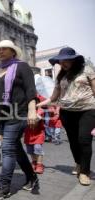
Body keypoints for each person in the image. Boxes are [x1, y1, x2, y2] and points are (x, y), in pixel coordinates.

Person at [0, 40, 39, 199]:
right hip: (0, 117)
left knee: (8, 147)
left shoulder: (22, 67)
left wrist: (32, 111)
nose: (1, 52)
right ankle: (32, 177)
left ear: (13, 52)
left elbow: (31, 90)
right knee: (16, 149)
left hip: (18, 114)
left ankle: (4, 187)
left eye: (4, 49)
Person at [37, 47, 95, 186]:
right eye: (60, 60)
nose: (63, 63)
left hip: (87, 110)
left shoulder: (87, 70)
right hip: (67, 113)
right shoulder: (60, 77)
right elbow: (54, 97)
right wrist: (38, 105)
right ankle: (78, 164)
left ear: (74, 60)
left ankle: (85, 172)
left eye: (66, 60)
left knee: (84, 140)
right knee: (73, 141)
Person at [24, 94, 46, 174]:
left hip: (38, 135)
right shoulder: (25, 110)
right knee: (30, 150)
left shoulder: (40, 110)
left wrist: (28, 117)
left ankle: (39, 165)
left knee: (38, 149)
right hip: (28, 135)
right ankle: (34, 162)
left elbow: (36, 120)